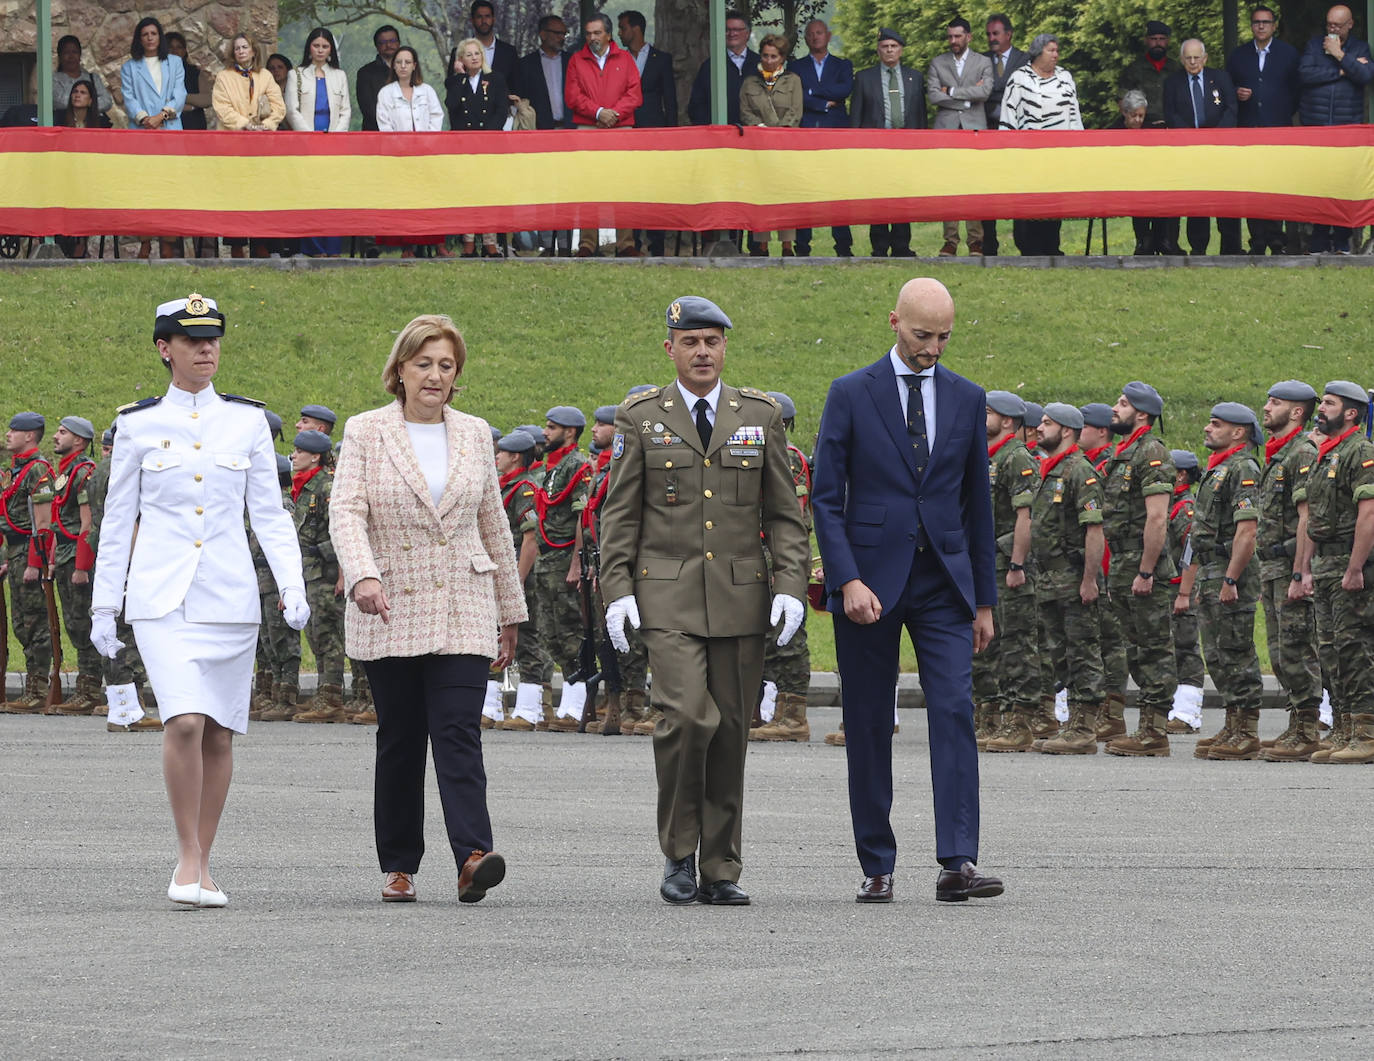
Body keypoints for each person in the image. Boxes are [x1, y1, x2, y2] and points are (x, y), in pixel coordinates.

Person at [90, 294, 309, 907]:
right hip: (161, 597)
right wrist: (105, 605)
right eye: (191, 341)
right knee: (183, 719)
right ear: (165, 348)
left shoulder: (246, 424)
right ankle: (186, 856)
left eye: (212, 338)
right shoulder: (136, 426)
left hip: (228, 597)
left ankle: (204, 860)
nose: (205, 349)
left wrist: (291, 585)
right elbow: (116, 522)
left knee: (218, 734)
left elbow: (270, 514)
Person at [600, 296, 808, 906]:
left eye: (712, 342)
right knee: (689, 718)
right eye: (690, 342)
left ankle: (720, 868)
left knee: (731, 733)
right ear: (670, 348)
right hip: (665, 597)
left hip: (741, 599)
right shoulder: (641, 416)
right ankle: (677, 852)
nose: (702, 353)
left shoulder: (760, 416)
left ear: (724, 348)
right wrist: (617, 591)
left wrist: (791, 586)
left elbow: (785, 515)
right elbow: (620, 515)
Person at [810, 277, 1003, 905]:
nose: (934, 348)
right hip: (870, 582)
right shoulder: (850, 394)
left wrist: (983, 601)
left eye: (945, 336)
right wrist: (846, 579)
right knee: (868, 722)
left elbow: (978, 504)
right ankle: (876, 862)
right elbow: (825, 498)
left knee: (953, 711)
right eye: (923, 335)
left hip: (944, 582)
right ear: (894, 321)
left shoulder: (966, 397)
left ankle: (958, 861)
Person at [329, 314, 526, 903]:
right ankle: (399, 864)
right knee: (402, 738)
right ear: (400, 370)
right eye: (424, 364)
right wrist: (362, 573)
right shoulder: (367, 431)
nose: (435, 375)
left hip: (464, 602)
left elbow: (494, 523)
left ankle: (472, 855)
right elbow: (347, 511)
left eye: (446, 365)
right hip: (389, 602)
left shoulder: (473, 433)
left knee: (459, 731)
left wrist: (510, 610)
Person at [1292, 380, 1374, 764]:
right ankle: (1343, 725)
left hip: (1347, 563)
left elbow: (1368, 514)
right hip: (1324, 563)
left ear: (1351, 413)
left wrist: (1356, 566)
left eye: (1328, 403)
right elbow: (1311, 520)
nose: (1320, 409)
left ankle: (1367, 730)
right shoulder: (1327, 453)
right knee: (1330, 650)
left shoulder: (1360, 452)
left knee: (1354, 648)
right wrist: (1304, 569)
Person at [1101, 382, 1177, 757]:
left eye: (1123, 403)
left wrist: (1146, 570)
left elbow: (1158, 517)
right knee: (1135, 647)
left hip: (1142, 564)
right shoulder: (1126, 452)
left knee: (1153, 647)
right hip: (1124, 562)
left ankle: (1154, 732)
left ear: (1142, 414)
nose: (1115, 409)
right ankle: (1145, 729)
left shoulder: (1151, 452)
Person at [1186, 404, 1265, 759]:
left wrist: (1231, 578)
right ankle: (1233, 724)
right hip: (1211, 569)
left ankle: (1246, 731)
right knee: (1216, 654)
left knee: (1236, 650)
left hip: (1229, 570)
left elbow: (1247, 530)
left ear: (1238, 432)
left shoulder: (1243, 467)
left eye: (1216, 424)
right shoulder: (1219, 467)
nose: (1207, 428)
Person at [1027, 403, 1106, 755]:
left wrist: (1090, 579)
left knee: (1082, 652)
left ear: (1068, 431)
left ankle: (1085, 727)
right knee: (1060, 654)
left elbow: (1094, 531)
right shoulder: (1051, 470)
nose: (1040, 428)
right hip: (1050, 581)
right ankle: (1071, 722)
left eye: (1048, 423)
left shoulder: (1079, 472)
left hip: (1073, 579)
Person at [1256, 381, 1323, 761]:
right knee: (1281, 651)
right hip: (1273, 566)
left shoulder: (1302, 453)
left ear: (1296, 412)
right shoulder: (1280, 454)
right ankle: (1297, 723)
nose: (1267, 407)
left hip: (1289, 565)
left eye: (1275, 402)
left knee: (1297, 647)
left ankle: (1308, 728)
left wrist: (1301, 572)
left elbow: (1306, 518)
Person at [978, 392, 1042, 753]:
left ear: (1006, 421)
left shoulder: (1016, 457)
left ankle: (1020, 722)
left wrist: (1018, 564)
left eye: (987, 413)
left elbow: (1025, 517)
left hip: (1007, 563)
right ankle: (991, 715)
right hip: (987, 561)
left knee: (1016, 644)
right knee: (988, 645)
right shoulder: (987, 456)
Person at [85, 419, 159, 730]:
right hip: (128, 558)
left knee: (112, 633)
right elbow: (130, 521)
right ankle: (129, 710)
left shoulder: (101, 469)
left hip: (107, 557)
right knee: (126, 635)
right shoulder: (125, 469)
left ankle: (123, 707)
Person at [752, 391, 814, 742]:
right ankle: (770, 710)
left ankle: (794, 716)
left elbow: (794, 516)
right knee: (766, 636)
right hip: (761, 555)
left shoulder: (788, 459)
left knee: (788, 638)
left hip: (781, 559)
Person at [38, 416, 103, 716]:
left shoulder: (83, 473)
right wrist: (52, 560)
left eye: (62, 433)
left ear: (79, 441)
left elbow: (87, 523)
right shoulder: (65, 472)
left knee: (84, 623)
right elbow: (57, 519)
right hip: (63, 556)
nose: (55, 437)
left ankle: (90, 689)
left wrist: (81, 566)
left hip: (78, 559)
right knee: (73, 623)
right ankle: (83, 688)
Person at [565, 12, 642, 257]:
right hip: (589, 128)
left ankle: (626, 243)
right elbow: (572, 96)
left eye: (597, 32)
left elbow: (635, 94)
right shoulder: (576, 60)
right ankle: (587, 244)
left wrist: (614, 114)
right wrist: (598, 113)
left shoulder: (626, 59)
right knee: (588, 185)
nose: (592, 37)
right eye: (588, 33)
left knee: (624, 185)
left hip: (621, 128)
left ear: (608, 34)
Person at [999, 34, 1084, 256]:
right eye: (1051, 50)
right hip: (1028, 156)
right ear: (1038, 52)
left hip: (1058, 156)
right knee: (1028, 200)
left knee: (1054, 202)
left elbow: (1074, 114)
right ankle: (1028, 247)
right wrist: (1008, 150)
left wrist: (1079, 145)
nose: (1056, 55)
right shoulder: (1019, 78)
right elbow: (1009, 116)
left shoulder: (1065, 77)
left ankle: (1051, 246)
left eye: (1057, 51)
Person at [1298, 6, 1373, 254]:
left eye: (1337, 26)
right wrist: (1342, 70)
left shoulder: (1360, 48)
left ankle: (1342, 241)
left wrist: (1340, 55)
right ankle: (1318, 241)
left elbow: (1364, 75)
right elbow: (1305, 74)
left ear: (1350, 24)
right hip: (1316, 126)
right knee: (1320, 185)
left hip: (1346, 126)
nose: (1332, 29)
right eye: (1329, 24)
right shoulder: (1313, 46)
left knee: (1343, 184)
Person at [1226, 7, 1301, 254]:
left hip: (1278, 129)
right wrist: (1237, 94)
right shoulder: (1238, 56)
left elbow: (1297, 92)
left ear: (1274, 25)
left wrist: (1281, 112)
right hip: (1248, 130)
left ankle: (1276, 239)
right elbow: (1228, 90)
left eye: (1265, 22)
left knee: (1276, 185)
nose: (1261, 26)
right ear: (1251, 26)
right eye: (1256, 22)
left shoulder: (1288, 54)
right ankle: (1256, 239)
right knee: (1252, 186)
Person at [490, 430, 551, 731]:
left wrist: (517, 580)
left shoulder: (525, 488)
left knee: (527, 638)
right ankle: (490, 706)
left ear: (515, 457)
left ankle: (529, 708)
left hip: (519, 569)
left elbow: (530, 539)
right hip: (500, 568)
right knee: (492, 636)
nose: (496, 456)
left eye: (501, 452)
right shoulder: (504, 487)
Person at [850, 28, 926, 257]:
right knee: (879, 195)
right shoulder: (864, 78)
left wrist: (921, 146)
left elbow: (920, 114)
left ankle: (902, 245)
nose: (890, 50)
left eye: (894, 46)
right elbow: (856, 115)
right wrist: (855, 146)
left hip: (906, 145)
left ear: (901, 50)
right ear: (878, 50)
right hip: (876, 146)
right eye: (885, 46)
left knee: (903, 195)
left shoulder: (915, 77)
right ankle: (879, 245)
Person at [0, 412, 56, 714]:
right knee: (22, 622)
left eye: (14, 431)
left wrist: (36, 562)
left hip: (30, 552)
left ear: (30, 436)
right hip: (18, 552)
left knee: (35, 622)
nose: (8, 435)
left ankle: (38, 689)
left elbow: (43, 522)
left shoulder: (38, 471)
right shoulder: (17, 469)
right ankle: (33, 689)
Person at [213, 33, 286, 259]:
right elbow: (222, 108)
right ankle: (236, 245)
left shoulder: (265, 76)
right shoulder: (223, 77)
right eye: (237, 48)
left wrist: (266, 125)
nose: (241, 51)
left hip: (261, 147)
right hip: (233, 146)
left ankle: (260, 243)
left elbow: (279, 106)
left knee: (261, 194)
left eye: (245, 47)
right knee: (235, 195)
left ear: (253, 50)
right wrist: (245, 125)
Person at [1163, 40, 1240, 255]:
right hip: (1189, 150)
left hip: (1220, 149)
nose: (1193, 61)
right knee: (1197, 199)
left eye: (1197, 57)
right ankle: (1198, 247)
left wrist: (1217, 137)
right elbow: (1170, 114)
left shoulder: (1221, 78)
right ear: (1181, 60)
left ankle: (1231, 246)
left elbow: (1231, 108)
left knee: (1225, 196)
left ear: (1205, 58)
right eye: (1188, 58)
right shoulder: (1172, 82)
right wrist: (1191, 138)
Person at [120, 18, 187, 261]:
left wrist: (163, 115)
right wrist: (145, 118)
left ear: (160, 37)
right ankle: (145, 242)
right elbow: (128, 98)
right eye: (145, 34)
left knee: (168, 188)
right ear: (139, 38)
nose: (150, 38)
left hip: (170, 129)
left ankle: (167, 242)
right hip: (142, 132)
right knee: (144, 189)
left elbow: (180, 93)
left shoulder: (175, 62)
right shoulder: (129, 67)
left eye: (154, 33)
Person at [928, 18, 992, 257]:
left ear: (969, 37)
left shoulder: (983, 62)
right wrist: (968, 97)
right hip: (946, 131)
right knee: (948, 184)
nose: (953, 41)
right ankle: (950, 241)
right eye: (950, 37)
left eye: (957, 36)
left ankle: (976, 241)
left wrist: (952, 92)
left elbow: (985, 92)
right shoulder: (937, 63)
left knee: (973, 183)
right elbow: (934, 95)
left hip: (974, 130)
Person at [376, 46, 449, 258]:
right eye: (399, 62)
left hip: (426, 155)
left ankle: (438, 244)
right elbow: (384, 124)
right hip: (399, 156)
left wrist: (427, 143)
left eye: (407, 62)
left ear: (415, 65)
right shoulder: (386, 93)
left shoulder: (426, 90)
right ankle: (407, 246)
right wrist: (400, 147)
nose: (403, 66)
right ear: (393, 65)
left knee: (431, 200)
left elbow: (437, 116)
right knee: (405, 200)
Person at [790, 20, 853, 258]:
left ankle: (844, 247)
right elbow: (797, 96)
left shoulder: (842, 65)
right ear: (805, 39)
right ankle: (802, 247)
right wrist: (824, 102)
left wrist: (812, 93)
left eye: (819, 33)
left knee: (837, 192)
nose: (815, 37)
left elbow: (844, 90)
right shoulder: (796, 66)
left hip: (836, 135)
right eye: (810, 34)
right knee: (804, 191)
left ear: (828, 36)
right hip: (805, 135)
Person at [287, 28, 351, 257]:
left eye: (325, 46)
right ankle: (313, 249)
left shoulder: (339, 75)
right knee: (309, 195)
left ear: (331, 49)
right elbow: (292, 111)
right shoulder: (297, 74)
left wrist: (335, 137)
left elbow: (346, 110)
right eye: (316, 46)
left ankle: (333, 249)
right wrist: (310, 137)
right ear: (309, 48)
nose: (321, 50)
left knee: (332, 196)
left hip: (334, 144)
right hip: (306, 144)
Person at [618, 10, 676, 256]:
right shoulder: (617, 59)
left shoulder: (660, 58)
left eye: (623, 28)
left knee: (654, 188)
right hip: (625, 130)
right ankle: (631, 244)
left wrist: (672, 135)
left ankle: (657, 243)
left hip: (654, 132)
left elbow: (670, 99)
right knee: (628, 187)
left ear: (636, 29)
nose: (620, 33)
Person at [739, 34, 803, 257]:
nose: (768, 60)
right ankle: (761, 245)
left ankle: (787, 245)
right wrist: (760, 128)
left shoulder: (793, 80)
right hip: (759, 147)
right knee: (762, 196)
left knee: (785, 196)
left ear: (782, 58)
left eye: (773, 56)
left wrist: (780, 134)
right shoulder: (750, 82)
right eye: (765, 56)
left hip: (785, 147)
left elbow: (796, 111)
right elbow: (745, 111)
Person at [446, 38, 510, 258]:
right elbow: (452, 106)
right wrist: (460, 77)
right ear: (461, 59)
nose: (474, 57)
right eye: (469, 54)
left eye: (477, 53)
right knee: (467, 192)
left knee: (488, 192)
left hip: (489, 144)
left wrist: (486, 137)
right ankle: (469, 242)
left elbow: (502, 110)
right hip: (464, 145)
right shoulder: (455, 82)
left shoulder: (496, 79)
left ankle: (490, 242)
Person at [1164, 449, 1204, 733]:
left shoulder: (1185, 508)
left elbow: (1193, 552)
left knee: (1186, 647)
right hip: (1169, 589)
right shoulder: (1170, 504)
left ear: (1181, 475)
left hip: (1180, 589)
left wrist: (1185, 594)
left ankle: (1188, 713)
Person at [981, 14, 1028, 255]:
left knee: (1019, 189)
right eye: (989, 34)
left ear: (1008, 34)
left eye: (996, 34)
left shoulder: (1025, 59)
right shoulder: (980, 60)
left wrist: (992, 91)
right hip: (988, 132)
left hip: (1017, 135)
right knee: (988, 190)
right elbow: (981, 92)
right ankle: (989, 244)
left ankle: (1024, 241)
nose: (992, 39)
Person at [688, 11, 759, 126]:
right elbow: (697, 104)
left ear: (747, 33)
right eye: (727, 29)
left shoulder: (760, 64)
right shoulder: (711, 66)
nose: (731, 34)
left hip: (755, 134)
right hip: (720, 136)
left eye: (736, 29)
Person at [1119, 19, 1181, 127]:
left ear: (1168, 41)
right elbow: (1122, 101)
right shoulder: (1133, 69)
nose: (1158, 43)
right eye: (1153, 39)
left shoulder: (1177, 69)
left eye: (1162, 39)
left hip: (1171, 127)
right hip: (1143, 126)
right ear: (1146, 40)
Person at [53, 35, 113, 120]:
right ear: (60, 55)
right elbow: (59, 101)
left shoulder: (93, 78)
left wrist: (84, 103)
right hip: (65, 126)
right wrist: (88, 101)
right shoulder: (53, 79)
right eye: (66, 52)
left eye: (74, 52)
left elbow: (107, 101)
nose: (71, 56)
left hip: (92, 126)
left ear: (80, 54)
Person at [357, 24, 401, 131]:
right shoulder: (365, 72)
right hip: (375, 132)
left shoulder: (408, 70)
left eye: (392, 41)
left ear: (399, 43)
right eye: (383, 42)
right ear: (376, 46)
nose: (388, 45)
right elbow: (368, 108)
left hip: (405, 132)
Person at [164, 32, 210, 133]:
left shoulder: (195, 72)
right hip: (166, 127)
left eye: (179, 47)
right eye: (170, 47)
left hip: (194, 127)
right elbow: (159, 102)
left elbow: (207, 100)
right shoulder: (158, 73)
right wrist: (192, 105)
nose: (175, 51)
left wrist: (179, 98)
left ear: (185, 51)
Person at [469, 0, 519, 82]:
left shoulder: (509, 52)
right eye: (479, 17)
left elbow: (516, 85)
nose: (484, 21)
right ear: (472, 20)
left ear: (493, 19)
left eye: (487, 16)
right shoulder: (460, 52)